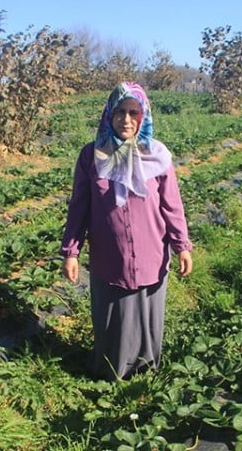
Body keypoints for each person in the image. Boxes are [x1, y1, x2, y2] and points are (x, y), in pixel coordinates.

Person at [60, 82, 193, 381]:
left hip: (150, 252)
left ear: (143, 116)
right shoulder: (91, 156)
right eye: (120, 111)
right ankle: (111, 373)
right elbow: (79, 207)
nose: (127, 119)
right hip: (110, 255)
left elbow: (172, 205)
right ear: (109, 114)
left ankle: (146, 372)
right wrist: (71, 251)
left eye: (134, 112)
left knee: (148, 315)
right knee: (112, 316)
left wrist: (181, 245)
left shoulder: (157, 156)